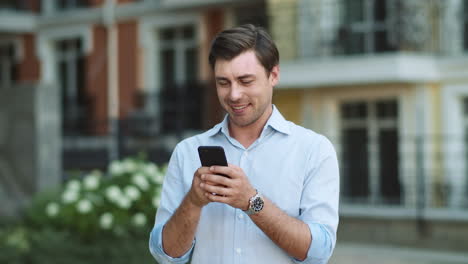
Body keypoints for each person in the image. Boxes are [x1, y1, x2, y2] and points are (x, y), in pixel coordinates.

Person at [149, 24, 339, 264]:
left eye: (245, 81)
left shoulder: (314, 150)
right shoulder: (187, 151)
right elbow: (165, 255)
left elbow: (318, 252)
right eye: (223, 82)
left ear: (274, 75)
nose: (234, 94)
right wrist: (193, 202)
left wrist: (252, 201)